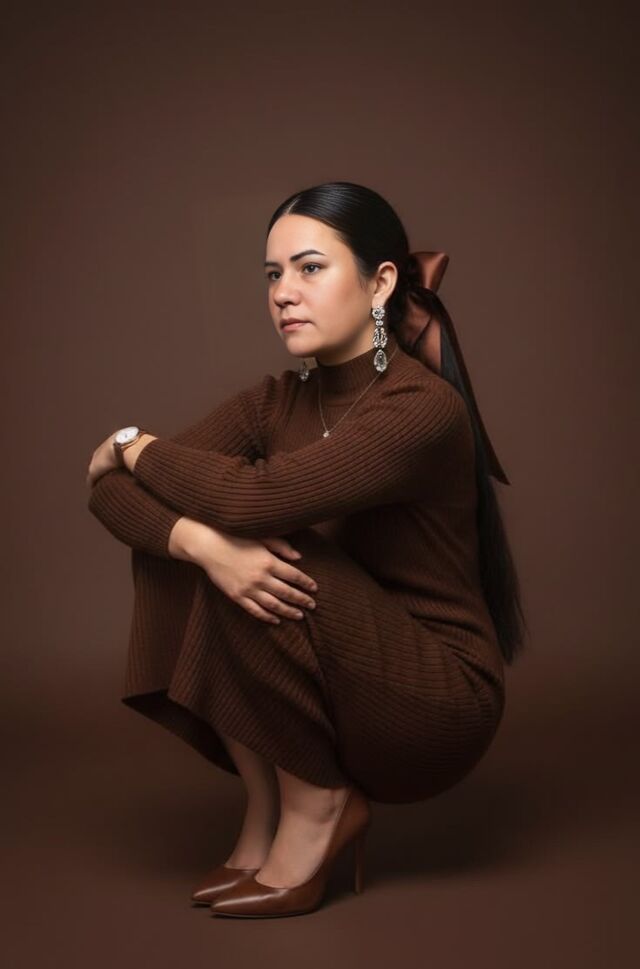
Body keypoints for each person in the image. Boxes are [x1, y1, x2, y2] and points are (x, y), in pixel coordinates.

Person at [86, 181, 526, 919]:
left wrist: (132, 443)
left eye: (310, 268)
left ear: (380, 283)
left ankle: (320, 803)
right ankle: (267, 809)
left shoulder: (420, 408)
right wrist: (202, 547)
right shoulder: (277, 401)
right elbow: (109, 496)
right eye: (272, 274)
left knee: (258, 539)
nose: (283, 293)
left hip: (432, 702)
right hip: (342, 666)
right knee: (184, 544)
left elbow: (254, 502)